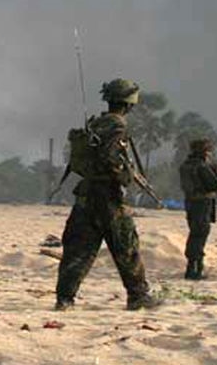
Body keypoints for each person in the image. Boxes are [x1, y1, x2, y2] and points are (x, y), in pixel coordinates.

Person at [55, 78, 159, 311]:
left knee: (78, 249)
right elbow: (110, 159)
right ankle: (138, 296)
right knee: (126, 246)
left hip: (86, 195)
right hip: (109, 197)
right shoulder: (117, 125)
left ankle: (64, 298)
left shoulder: (96, 124)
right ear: (130, 103)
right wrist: (123, 176)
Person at [179, 138, 217, 280]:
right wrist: (215, 171)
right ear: (204, 152)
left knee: (194, 233)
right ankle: (196, 270)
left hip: (190, 203)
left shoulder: (185, 166)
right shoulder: (202, 167)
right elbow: (215, 185)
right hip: (202, 203)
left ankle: (191, 267)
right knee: (200, 234)